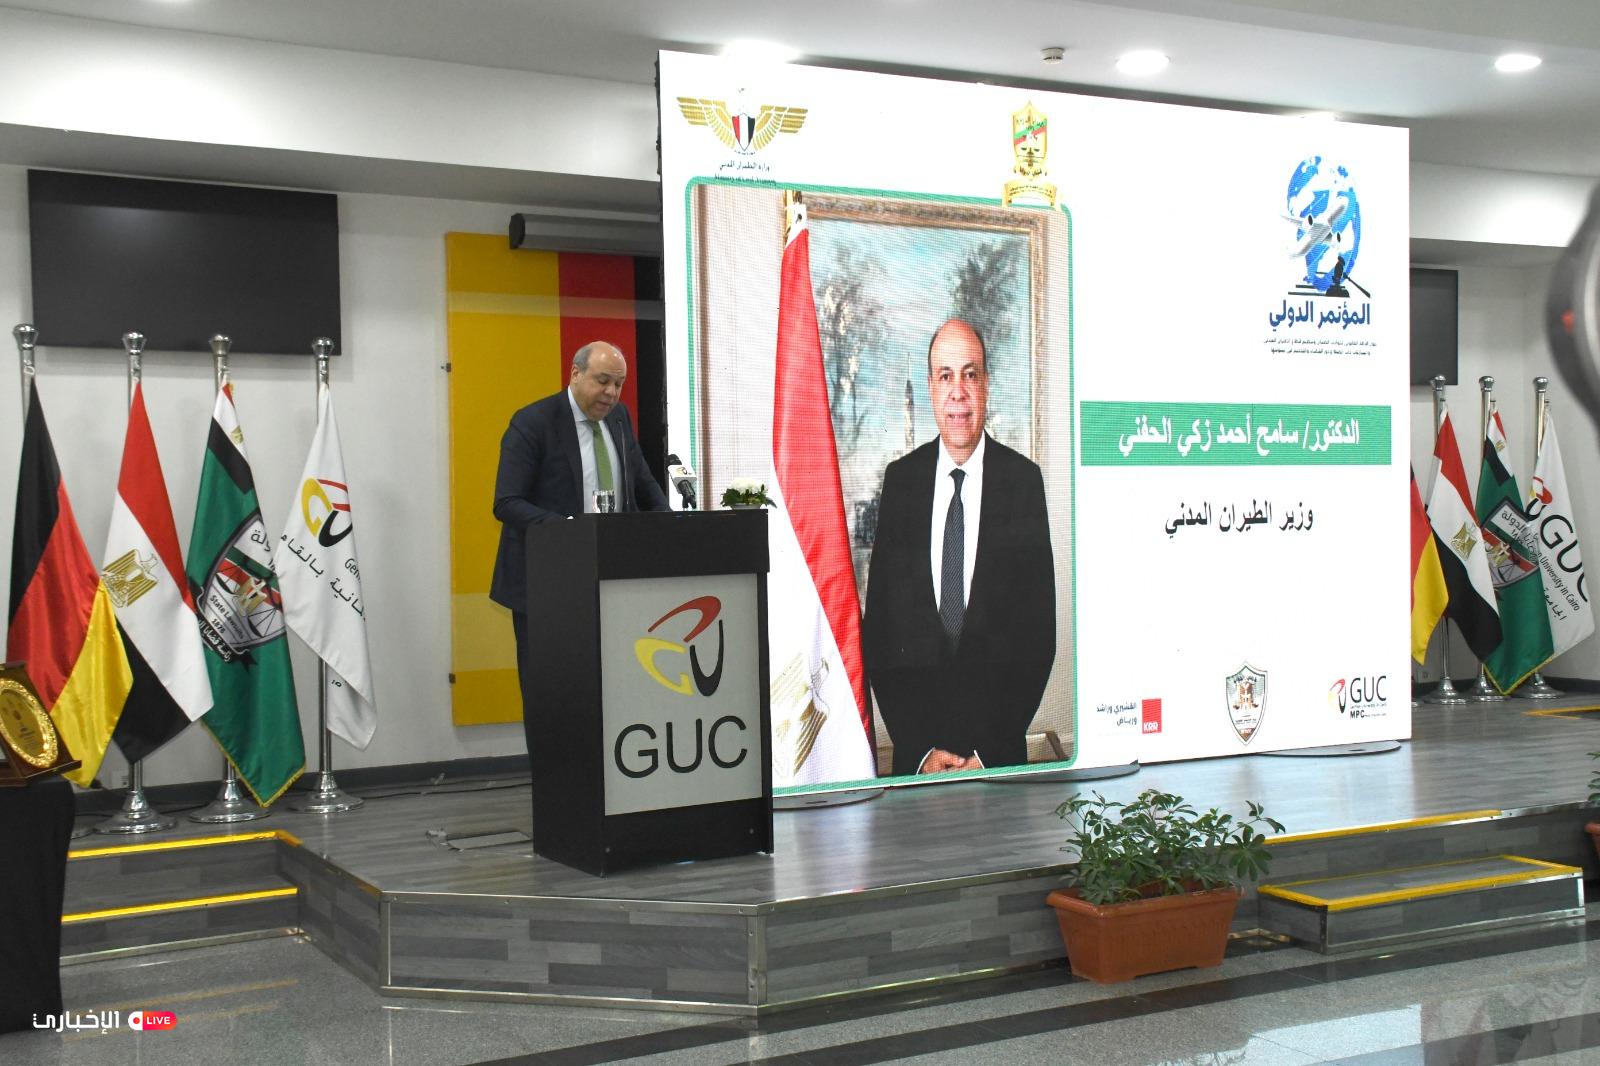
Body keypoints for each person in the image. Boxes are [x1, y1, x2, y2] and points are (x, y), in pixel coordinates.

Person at [862, 319, 1055, 776]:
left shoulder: (1023, 483)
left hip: (997, 766)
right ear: (931, 387)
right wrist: (921, 751)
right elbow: (882, 634)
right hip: (918, 766)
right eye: (945, 376)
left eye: (970, 375)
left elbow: (1038, 636)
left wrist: (987, 755)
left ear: (986, 385)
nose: (958, 392)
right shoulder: (901, 483)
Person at [490, 341, 670, 714]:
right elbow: (507, 502)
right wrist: (569, 531)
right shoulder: (534, 422)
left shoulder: (619, 419)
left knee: (607, 694)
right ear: (575, 374)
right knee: (552, 700)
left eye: (618, 384)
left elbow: (641, 479)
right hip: (547, 584)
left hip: (612, 580)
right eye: (603, 381)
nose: (611, 393)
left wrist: (668, 521)